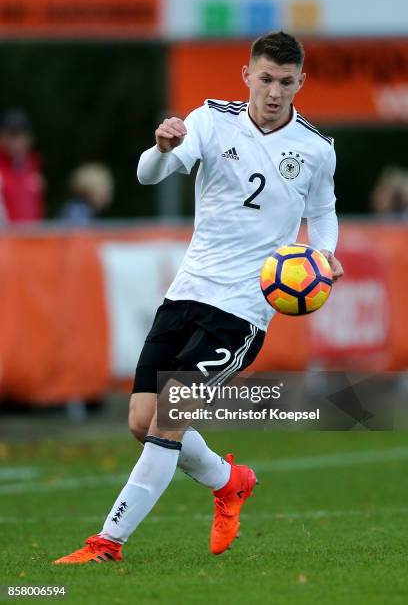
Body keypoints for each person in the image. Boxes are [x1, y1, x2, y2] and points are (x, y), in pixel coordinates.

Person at [54, 31, 344, 564]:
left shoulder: (315, 149)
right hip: (186, 293)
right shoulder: (211, 119)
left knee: (168, 416)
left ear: (300, 82)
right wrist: (162, 147)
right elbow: (150, 173)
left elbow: (322, 214)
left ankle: (107, 543)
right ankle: (229, 480)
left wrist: (322, 256)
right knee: (141, 421)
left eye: (285, 82)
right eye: (265, 79)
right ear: (246, 75)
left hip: (242, 311)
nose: (274, 92)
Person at [0, 109, 45, 223]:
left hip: (31, 237)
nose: (14, 141)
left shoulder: (33, 168)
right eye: (10, 135)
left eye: (19, 135)